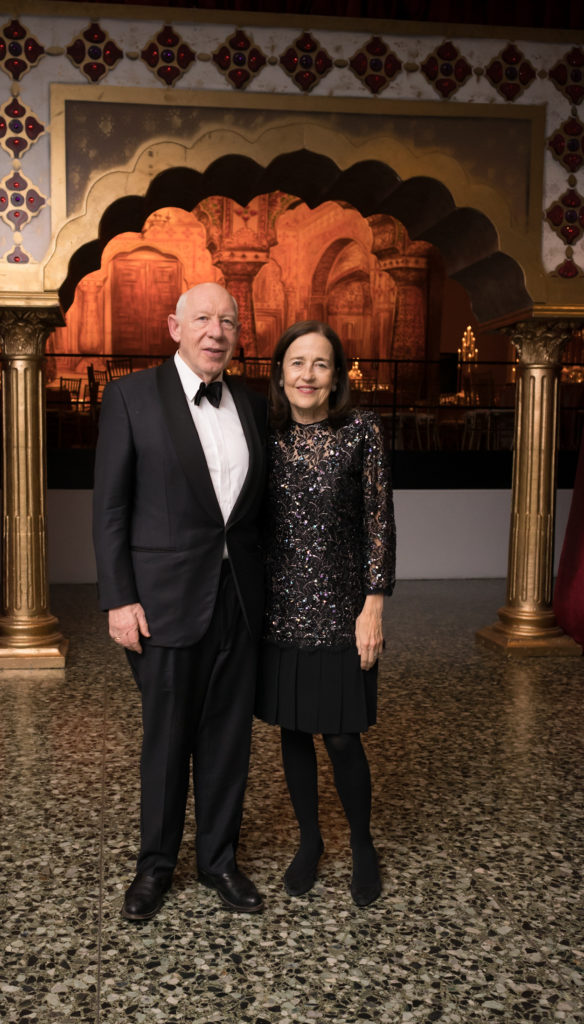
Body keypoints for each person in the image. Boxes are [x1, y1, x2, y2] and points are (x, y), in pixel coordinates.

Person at [93, 282, 267, 921]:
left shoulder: (250, 405)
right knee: (166, 741)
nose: (215, 331)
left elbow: (252, 518)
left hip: (240, 601)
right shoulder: (131, 396)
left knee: (228, 740)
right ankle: (154, 868)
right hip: (163, 602)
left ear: (237, 334)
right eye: (202, 318)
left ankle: (219, 860)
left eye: (227, 320)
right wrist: (119, 598)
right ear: (174, 326)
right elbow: (110, 507)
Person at [255, 320, 395, 907]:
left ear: (336, 375)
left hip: (343, 611)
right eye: (297, 362)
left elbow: (378, 523)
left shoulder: (361, 429)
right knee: (293, 731)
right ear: (280, 372)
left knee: (340, 736)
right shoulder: (265, 433)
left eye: (320, 363)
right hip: (280, 607)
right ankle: (310, 840)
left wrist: (374, 604)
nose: (307, 374)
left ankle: (362, 844)